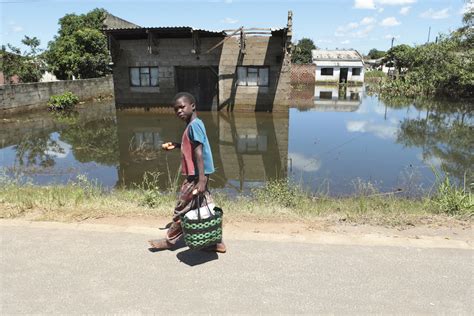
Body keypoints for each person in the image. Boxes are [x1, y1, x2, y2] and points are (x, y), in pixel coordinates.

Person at [148, 92, 226, 253]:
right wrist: (177, 145)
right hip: (199, 174)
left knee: (182, 207)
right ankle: (216, 242)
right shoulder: (194, 124)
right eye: (176, 109)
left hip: (196, 176)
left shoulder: (194, 125)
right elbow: (192, 146)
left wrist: (202, 180)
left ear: (193, 106)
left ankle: (170, 241)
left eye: (182, 107)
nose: (179, 111)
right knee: (203, 206)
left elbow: (199, 151)